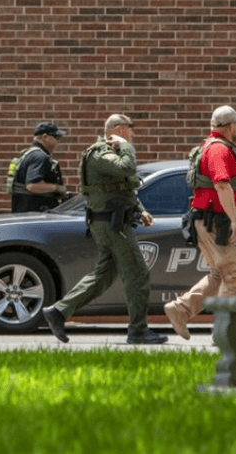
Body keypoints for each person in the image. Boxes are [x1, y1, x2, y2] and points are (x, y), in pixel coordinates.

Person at [42, 114, 167, 345]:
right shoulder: (101, 152)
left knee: (104, 275)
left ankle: (58, 312)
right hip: (111, 223)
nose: (133, 135)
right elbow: (126, 168)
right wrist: (127, 147)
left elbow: (121, 186)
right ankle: (138, 330)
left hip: (111, 221)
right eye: (130, 130)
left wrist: (139, 209)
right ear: (119, 129)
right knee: (137, 272)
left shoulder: (112, 151)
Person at [164, 105, 236, 341]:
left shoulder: (213, 148)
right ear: (230, 126)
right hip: (218, 223)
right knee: (233, 276)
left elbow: (225, 184)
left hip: (210, 219)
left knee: (219, 275)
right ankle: (225, 333)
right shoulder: (219, 151)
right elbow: (221, 185)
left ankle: (180, 309)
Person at [10, 122, 68, 213]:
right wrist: (57, 188)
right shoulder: (39, 157)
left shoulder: (28, 153)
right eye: (56, 137)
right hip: (35, 215)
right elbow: (33, 185)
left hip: (25, 212)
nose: (58, 140)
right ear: (45, 137)